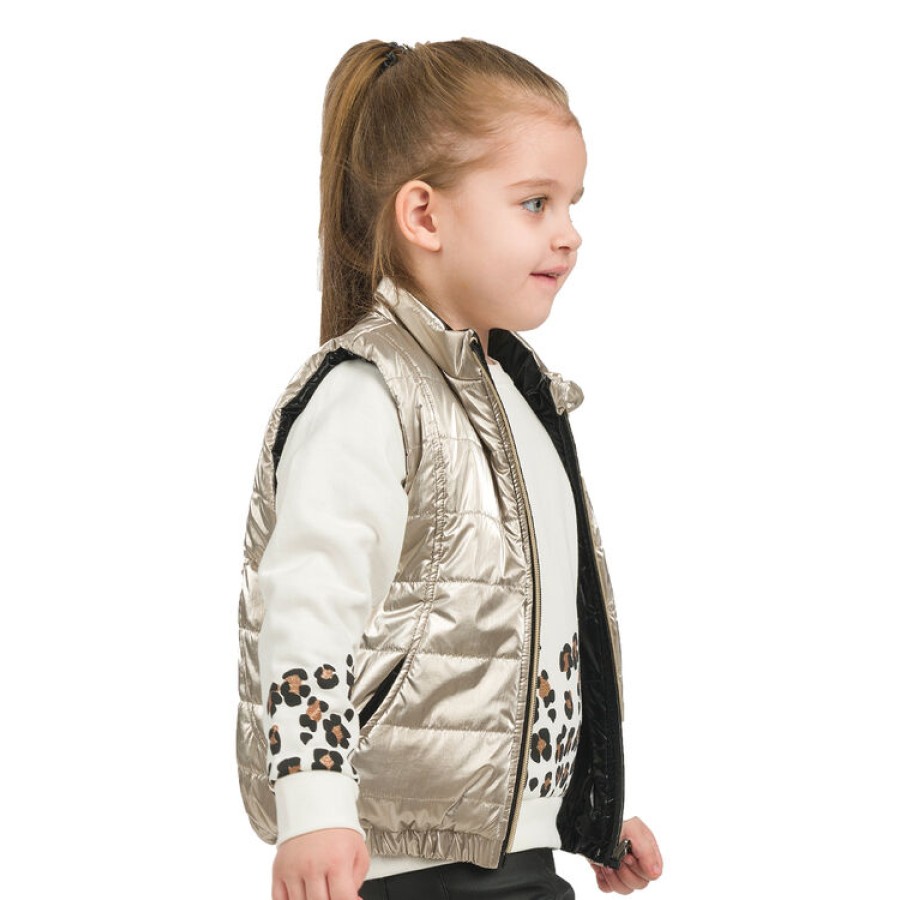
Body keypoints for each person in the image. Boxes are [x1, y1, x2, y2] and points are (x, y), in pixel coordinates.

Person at [235, 38, 664, 900]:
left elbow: (532, 638)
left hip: (512, 860)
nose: (569, 233)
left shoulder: (523, 400)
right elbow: (307, 609)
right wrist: (315, 805)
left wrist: (583, 812)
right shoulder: (368, 396)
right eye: (534, 202)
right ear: (424, 217)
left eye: (571, 204)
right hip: (401, 863)